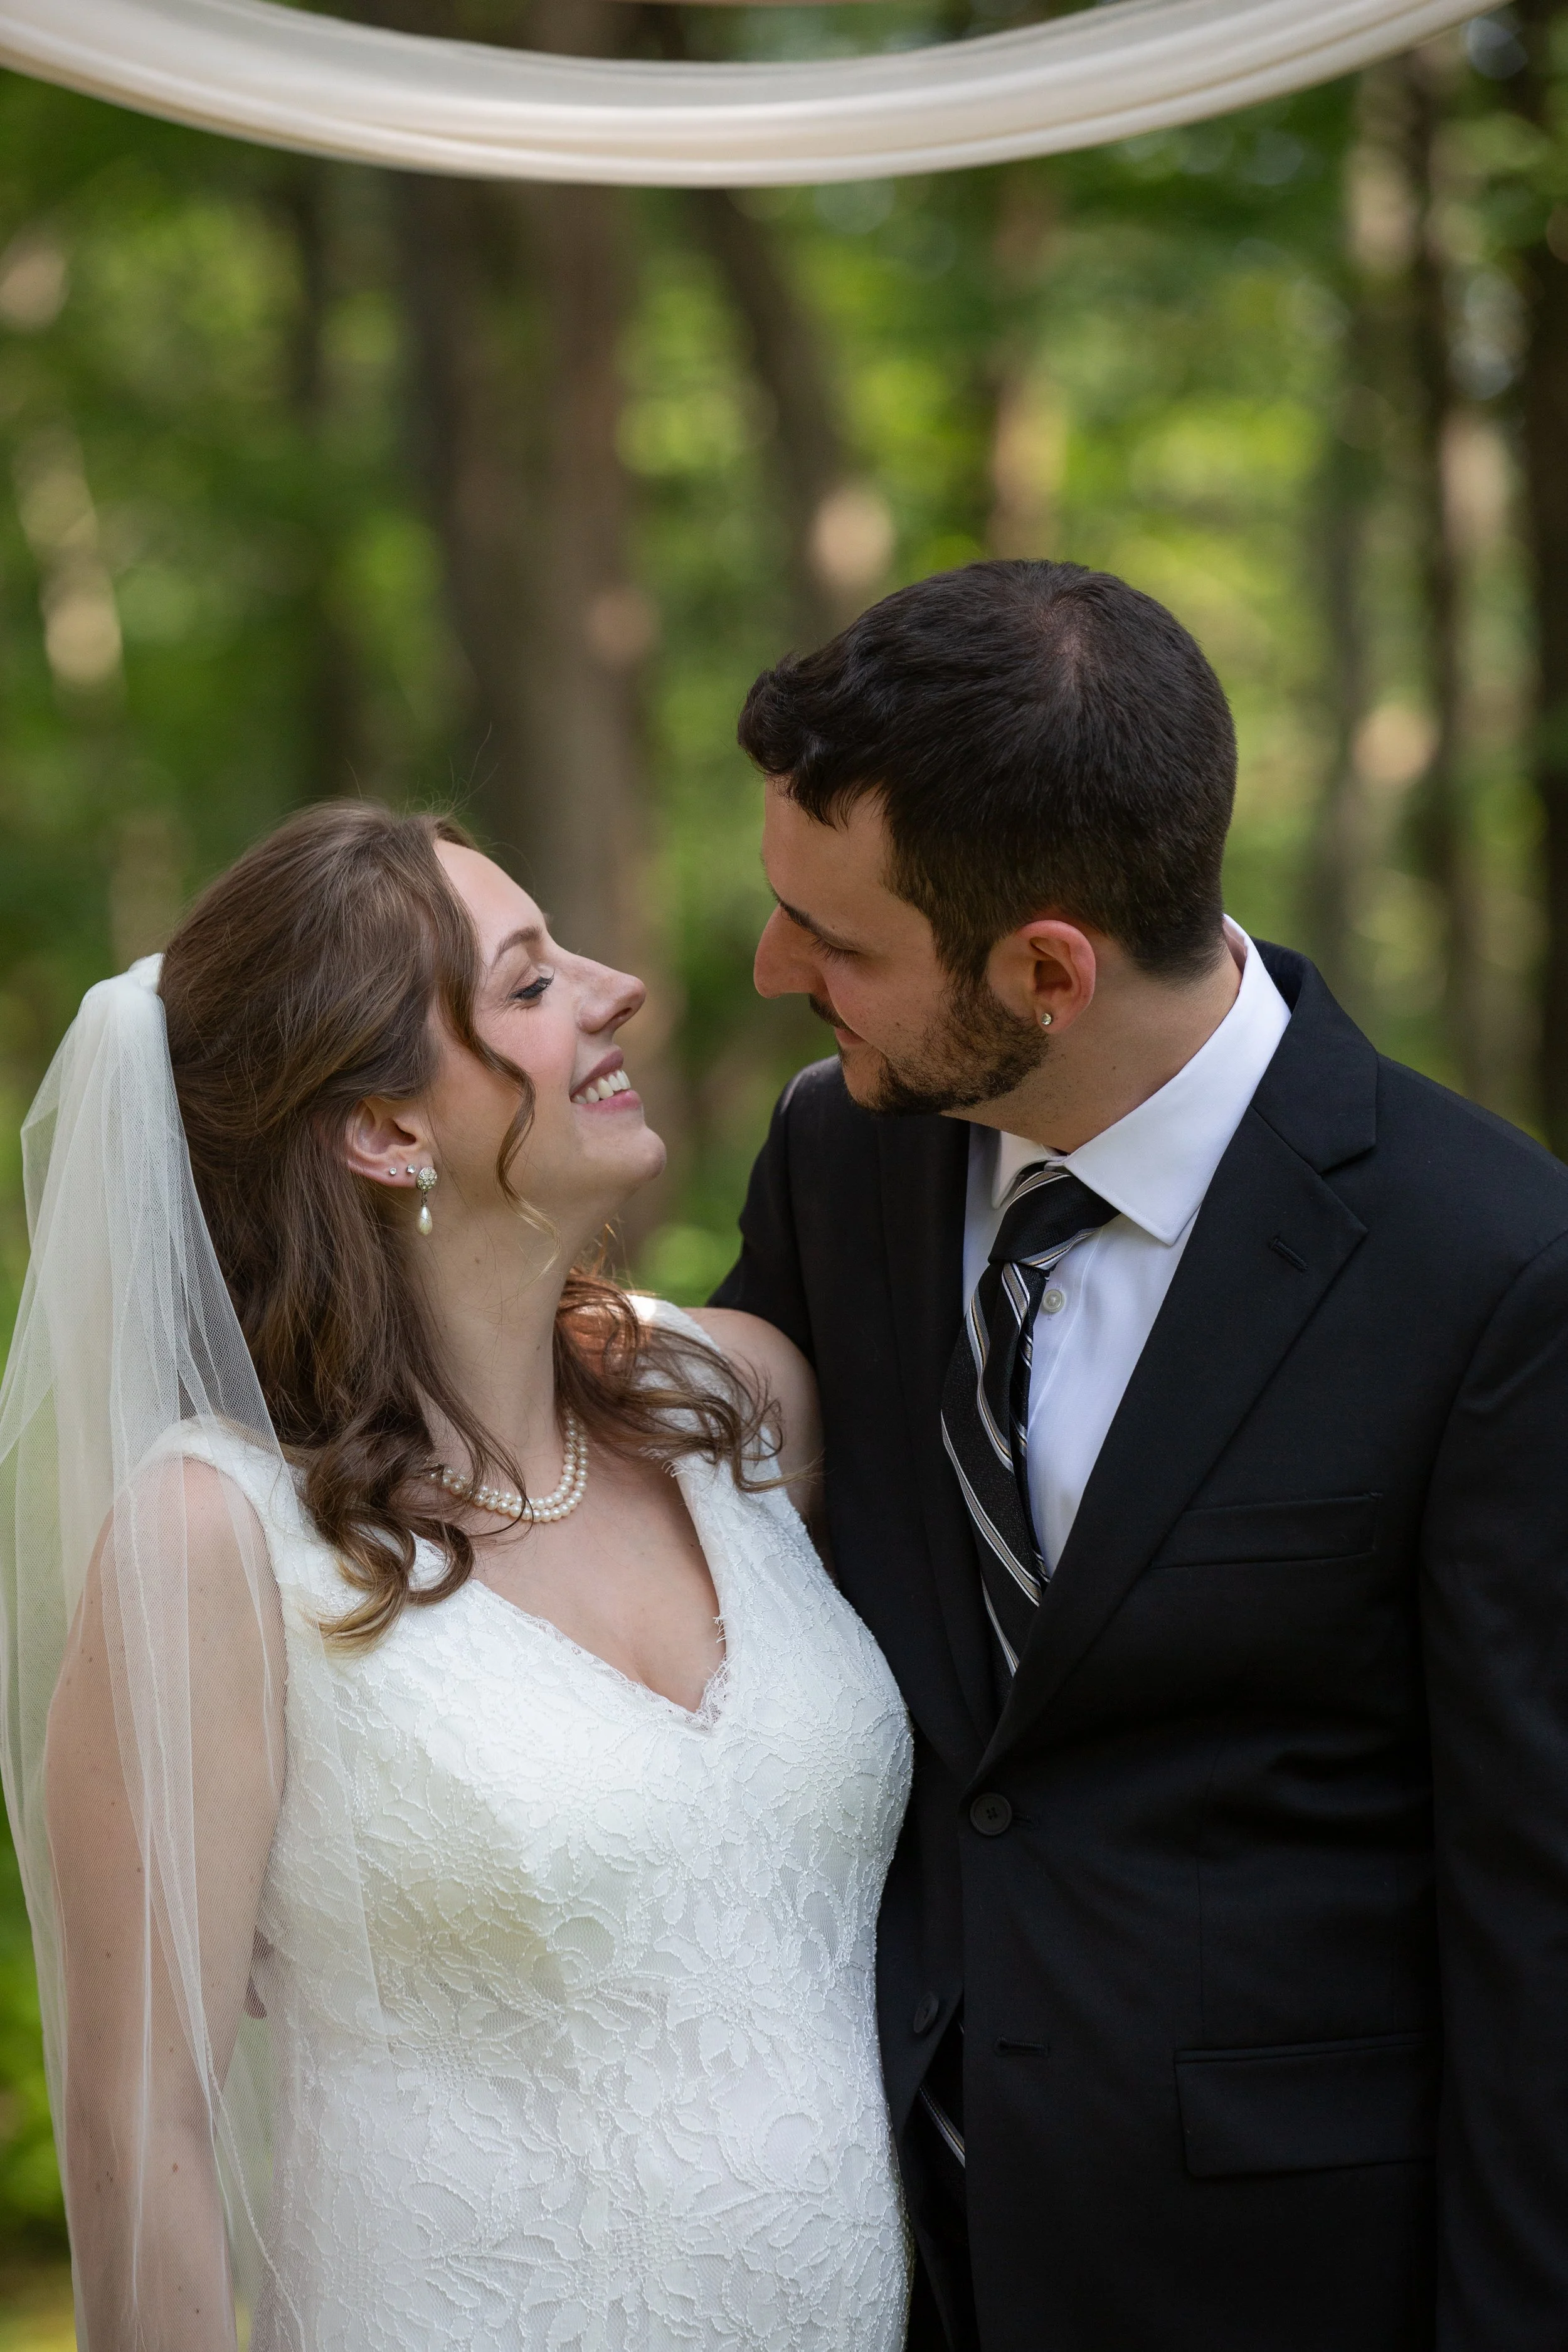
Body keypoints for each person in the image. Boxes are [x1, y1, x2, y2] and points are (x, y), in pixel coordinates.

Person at [712, 556, 1568, 2352]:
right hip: (866, 2258)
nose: (776, 967)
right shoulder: (834, 1160)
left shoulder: (1490, 1265)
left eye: (839, 943)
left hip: (1284, 2279)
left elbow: (1536, 1914)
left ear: (1043, 968)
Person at [0, 802, 913, 2352]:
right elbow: (138, 2116)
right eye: (531, 983)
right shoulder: (216, 1538)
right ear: (385, 1130)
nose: (617, 985)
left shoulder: (731, 1407)